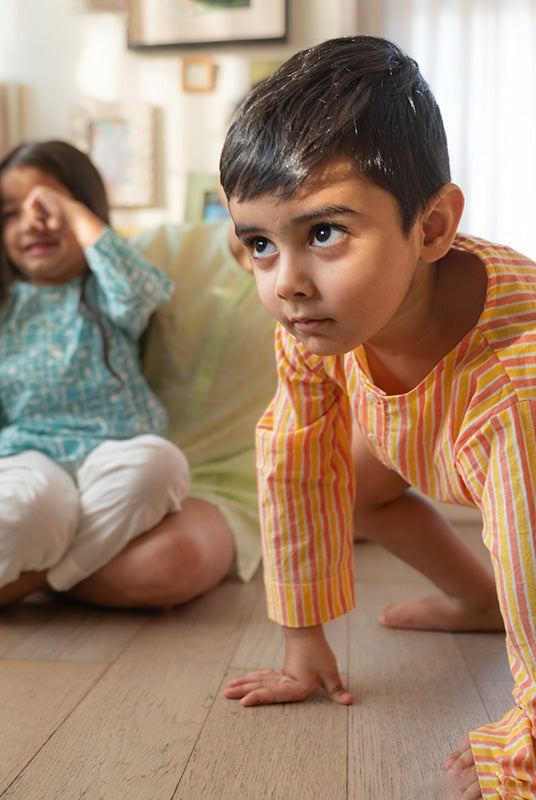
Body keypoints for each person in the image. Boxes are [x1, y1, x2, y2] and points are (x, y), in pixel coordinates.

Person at [218, 36, 536, 799]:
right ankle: (473, 600)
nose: (287, 283)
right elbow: (295, 462)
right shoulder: (314, 323)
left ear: (431, 228)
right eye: (260, 243)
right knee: (351, 482)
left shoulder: (515, 386)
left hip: (508, 442)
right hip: (426, 435)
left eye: (325, 233)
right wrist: (303, 642)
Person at [0, 140, 240, 610]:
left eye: (48, 204)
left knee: (161, 465)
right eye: (10, 212)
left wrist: (71, 212)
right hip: (26, 453)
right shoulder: (6, 303)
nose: (32, 220)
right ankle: (66, 562)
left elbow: (142, 291)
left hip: (113, 449)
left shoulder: (108, 288)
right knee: (34, 508)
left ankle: (56, 575)